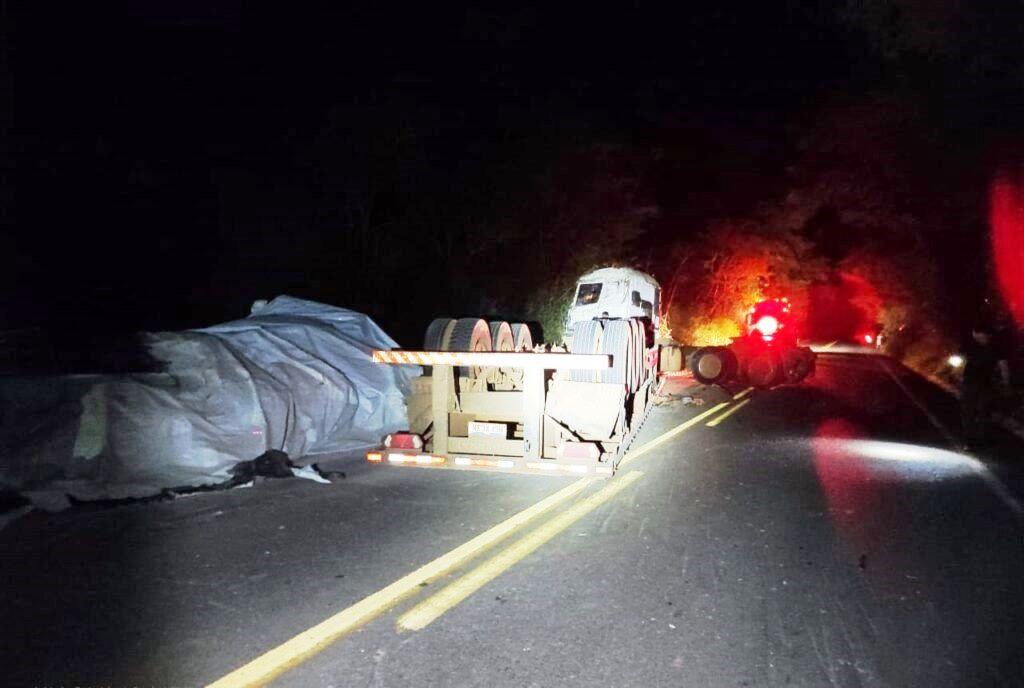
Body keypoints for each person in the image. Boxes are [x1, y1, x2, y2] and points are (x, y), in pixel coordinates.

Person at [960, 320, 1011, 449]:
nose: (980, 337)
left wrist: (1005, 383)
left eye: (981, 335)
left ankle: (975, 441)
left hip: (978, 383)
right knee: (976, 412)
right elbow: (1003, 366)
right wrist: (1006, 383)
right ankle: (975, 440)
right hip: (977, 383)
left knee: (975, 412)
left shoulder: (987, 346)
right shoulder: (976, 345)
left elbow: (1003, 366)